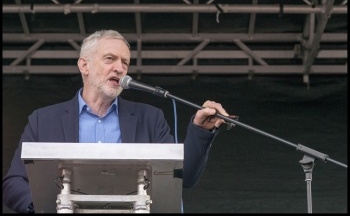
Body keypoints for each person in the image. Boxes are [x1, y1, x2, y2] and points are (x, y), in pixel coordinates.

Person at [2, 29, 231, 213]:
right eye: (110, 59)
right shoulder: (44, 119)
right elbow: (13, 183)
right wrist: (43, 208)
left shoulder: (149, 118)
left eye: (125, 62)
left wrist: (200, 130)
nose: (120, 68)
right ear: (84, 65)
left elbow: (184, 178)